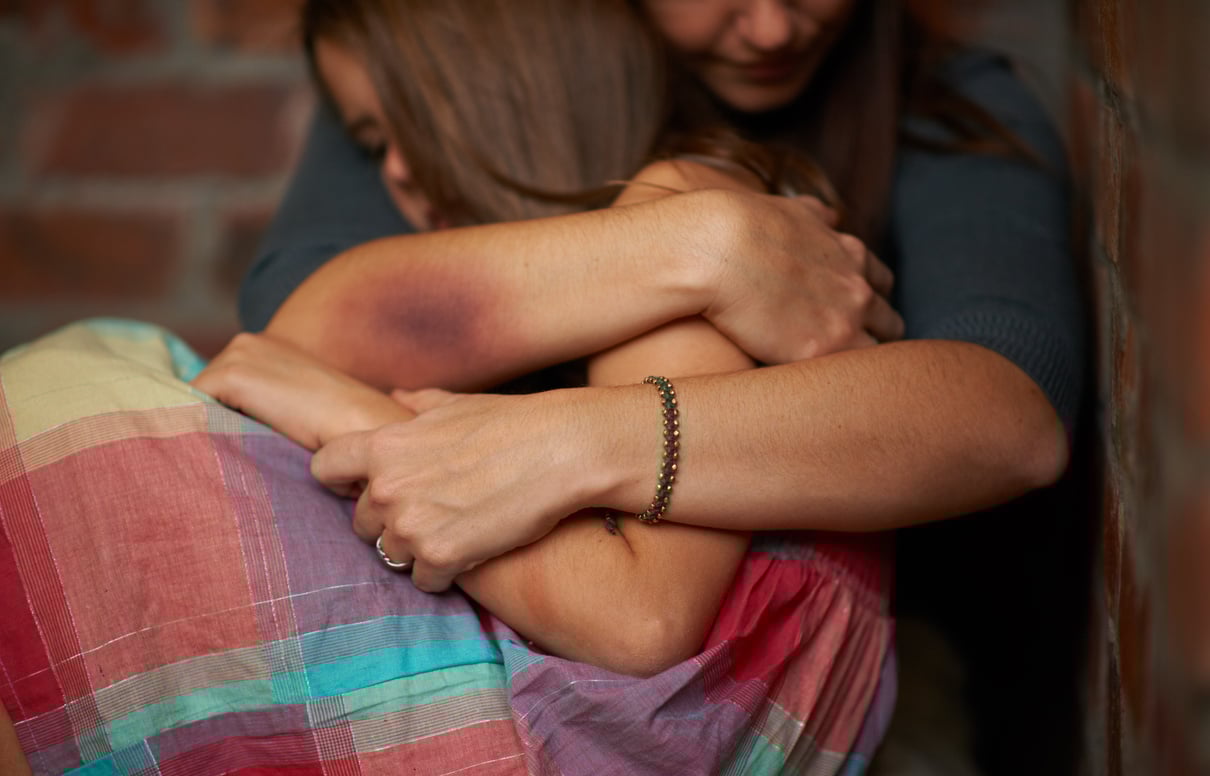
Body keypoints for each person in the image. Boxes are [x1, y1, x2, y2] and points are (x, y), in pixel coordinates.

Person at [237, 0, 1082, 595]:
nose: (771, 27)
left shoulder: (954, 109)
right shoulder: (472, 68)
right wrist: (705, 246)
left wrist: (574, 441)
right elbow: (300, 321)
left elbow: (1010, 416)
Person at [196, 0, 879, 679]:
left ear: (518, 79)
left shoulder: (680, 199)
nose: (394, 173)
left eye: (414, 120)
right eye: (376, 143)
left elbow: (643, 618)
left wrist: (354, 422)